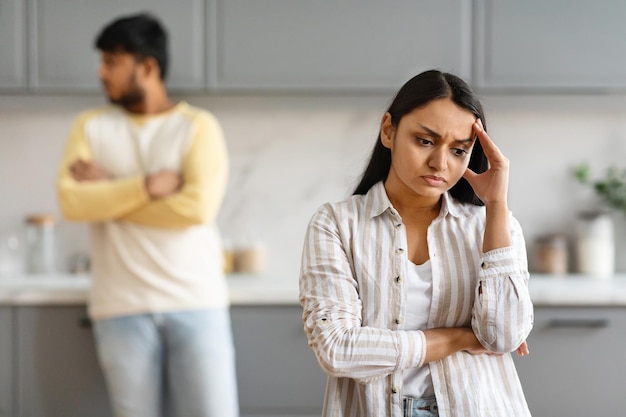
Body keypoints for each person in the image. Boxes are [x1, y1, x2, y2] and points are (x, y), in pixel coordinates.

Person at [299, 69, 534, 417]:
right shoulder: (336, 224)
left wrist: (496, 205)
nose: (440, 163)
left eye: (458, 150)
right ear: (388, 130)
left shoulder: (493, 226)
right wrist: (461, 338)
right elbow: (337, 349)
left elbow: (503, 336)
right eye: (425, 141)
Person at [56, 13, 238, 417]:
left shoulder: (197, 127)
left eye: (111, 62)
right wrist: (144, 186)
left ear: (148, 66)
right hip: (120, 305)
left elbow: (196, 209)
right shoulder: (90, 126)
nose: (101, 73)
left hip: (196, 301)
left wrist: (109, 188)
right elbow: (73, 203)